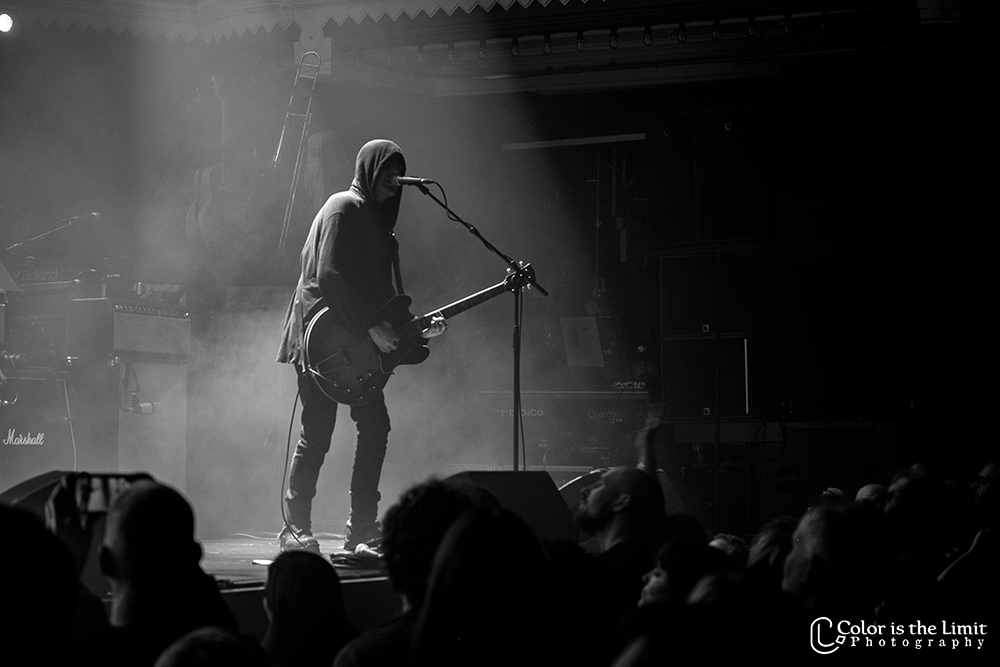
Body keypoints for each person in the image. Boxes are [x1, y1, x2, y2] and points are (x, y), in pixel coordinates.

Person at [276, 139, 446, 553]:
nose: (394, 180)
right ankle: (295, 529)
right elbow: (330, 277)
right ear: (369, 170)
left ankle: (363, 529)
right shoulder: (342, 207)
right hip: (323, 339)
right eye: (387, 171)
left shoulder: (380, 227)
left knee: (375, 428)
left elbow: (383, 294)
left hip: (358, 339)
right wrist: (371, 328)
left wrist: (411, 326)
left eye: (399, 173)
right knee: (317, 434)